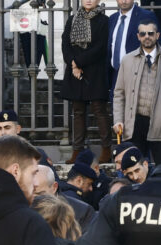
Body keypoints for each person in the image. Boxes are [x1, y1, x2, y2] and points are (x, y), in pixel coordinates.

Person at [111, 19, 161, 166]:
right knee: (134, 168)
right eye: (143, 33)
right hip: (134, 123)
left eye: (150, 33)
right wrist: (118, 120)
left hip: (160, 121)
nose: (147, 36)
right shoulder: (127, 60)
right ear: (138, 36)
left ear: (157, 35)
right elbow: (119, 93)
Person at [62, 0, 111, 164]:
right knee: (78, 111)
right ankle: (77, 150)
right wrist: (72, 63)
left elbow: (101, 47)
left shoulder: (104, 21)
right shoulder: (72, 19)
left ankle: (106, 149)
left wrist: (79, 62)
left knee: (99, 110)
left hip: (95, 70)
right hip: (75, 71)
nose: (89, 0)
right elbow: (65, 44)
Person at [107, 0, 158, 91]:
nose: (124, 1)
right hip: (115, 74)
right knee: (116, 103)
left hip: (139, 73)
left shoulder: (146, 15)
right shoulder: (112, 18)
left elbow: (156, 45)